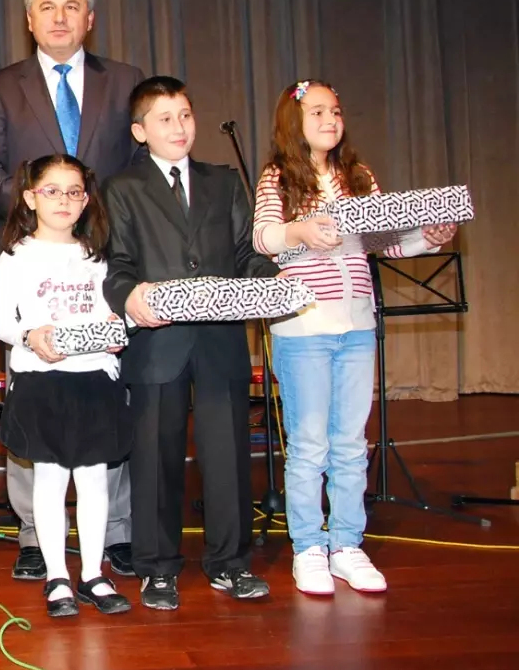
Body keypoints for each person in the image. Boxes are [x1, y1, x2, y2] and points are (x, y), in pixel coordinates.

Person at [0, 0, 146, 581]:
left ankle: (114, 531)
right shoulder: (2, 85)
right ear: (28, 18)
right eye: (47, 6)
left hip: (107, 263)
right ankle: (36, 537)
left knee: (107, 394)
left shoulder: (125, 82)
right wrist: (41, 213)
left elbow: (141, 174)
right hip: (34, 257)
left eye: (72, 6)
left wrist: (95, 223)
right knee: (34, 395)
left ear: (89, 18)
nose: (60, 16)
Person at [252, 79, 457, 595]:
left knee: (348, 444)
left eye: (336, 110)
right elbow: (264, 238)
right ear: (293, 122)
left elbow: (386, 243)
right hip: (304, 328)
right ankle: (308, 547)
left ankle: (346, 543)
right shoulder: (278, 179)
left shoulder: (358, 176)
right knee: (309, 446)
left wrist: (422, 236)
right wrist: (299, 232)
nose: (330, 119)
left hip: (357, 326)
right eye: (317, 110)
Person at [102, 75, 280, 611]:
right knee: (156, 455)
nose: (178, 127)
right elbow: (117, 266)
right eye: (164, 118)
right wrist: (128, 295)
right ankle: (158, 567)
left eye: (185, 114)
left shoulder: (223, 181)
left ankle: (231, 561)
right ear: (140, 130)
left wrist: (270, 277)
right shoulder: (122, 189)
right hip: (156, 344)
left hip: (220, 340)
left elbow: (246, 254)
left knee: (227, 453)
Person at [0, 155, 134, 618]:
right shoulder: (17, 254)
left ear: (86, 199)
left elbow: (117, 316)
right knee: (49, 479)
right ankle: (57, 577)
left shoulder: (97, 256)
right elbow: (2, 324)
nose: (64, 200)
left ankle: (93, 572)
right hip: (42, 380)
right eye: (51, 190)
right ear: (31, 198)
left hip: (93, 378)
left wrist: (117, 329)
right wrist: (30, 336)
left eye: (74, 191)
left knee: (94, 480)